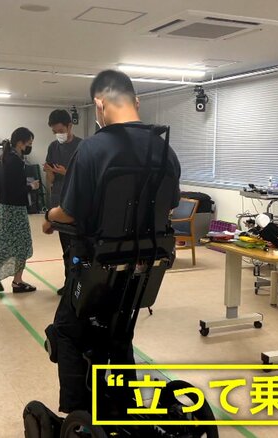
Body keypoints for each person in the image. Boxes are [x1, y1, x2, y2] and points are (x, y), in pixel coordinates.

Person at [42, 70, 181, 413]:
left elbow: (70, 213)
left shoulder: (91, 149)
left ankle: (77, 416)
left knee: (65, 332)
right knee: (119, 330)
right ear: (137, 102)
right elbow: (169, 206)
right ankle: (122, 401)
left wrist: (48, 216)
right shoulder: (166, 151)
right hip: (142, 271)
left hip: (97, 267)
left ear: (99, 104)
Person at [0, 127, 39, 293]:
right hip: (15, 209)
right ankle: (9, 279)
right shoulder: (15, 162)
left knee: (5, 242)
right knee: (21, 244)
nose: (30, 146)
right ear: (20, 143)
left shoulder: (7, 159)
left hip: (5, 207)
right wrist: (31, 187)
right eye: (29, 143)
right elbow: (15, 189)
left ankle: (7, 278)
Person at [43, 110, 82, 295]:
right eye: (54, 132)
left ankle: (78, 285)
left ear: (69, 126)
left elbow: (85, 177)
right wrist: (49, 172)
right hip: (59, 202)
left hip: (76, 205)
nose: (58, 134)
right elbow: (50, 181)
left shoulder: (82, 146)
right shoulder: (53, 147)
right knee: (66, 248)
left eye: (60, 130)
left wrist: (66, 172)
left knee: (78, 249)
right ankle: (69, 283)